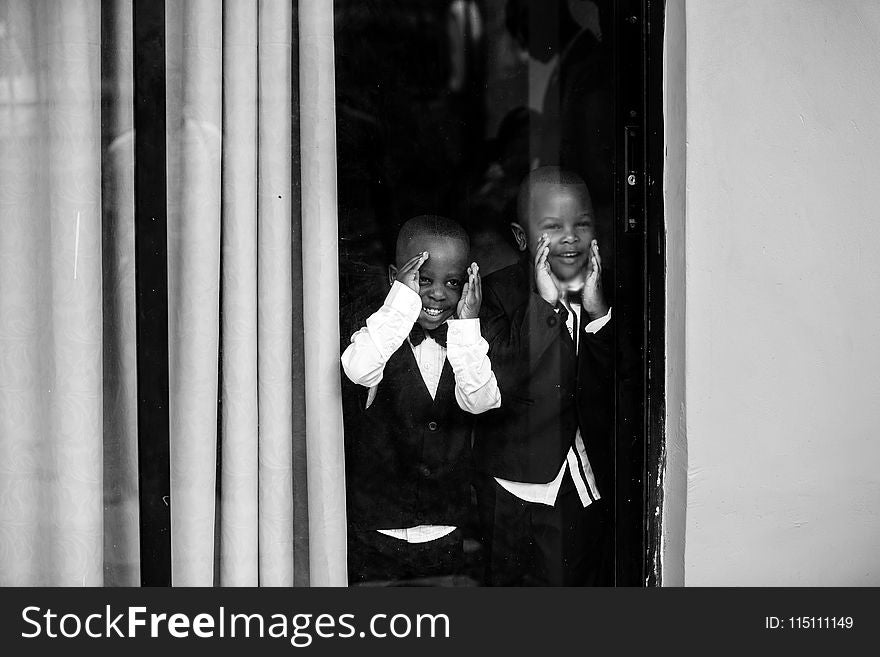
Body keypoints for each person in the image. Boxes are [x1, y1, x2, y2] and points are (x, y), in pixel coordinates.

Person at [341, 215, 501, 584]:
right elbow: (359, 368)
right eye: (423, 280)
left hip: (445, 533)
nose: (438, 294)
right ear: (396, 276)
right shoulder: (378, 336)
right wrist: (401, 301)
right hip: (374, 534)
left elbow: (481, 401)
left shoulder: (468, 345)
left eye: (453, 282)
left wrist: (465, 327)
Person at [475, 166, 614, 586]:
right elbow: (503, 379)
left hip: (574, 480)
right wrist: (545, 307)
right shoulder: (497, 295)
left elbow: (617, 384)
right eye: (552, 227)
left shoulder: (603, 291)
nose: (570, 236)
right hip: (510, 481)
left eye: (581, 224)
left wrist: (597, 315)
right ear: (521, 238)